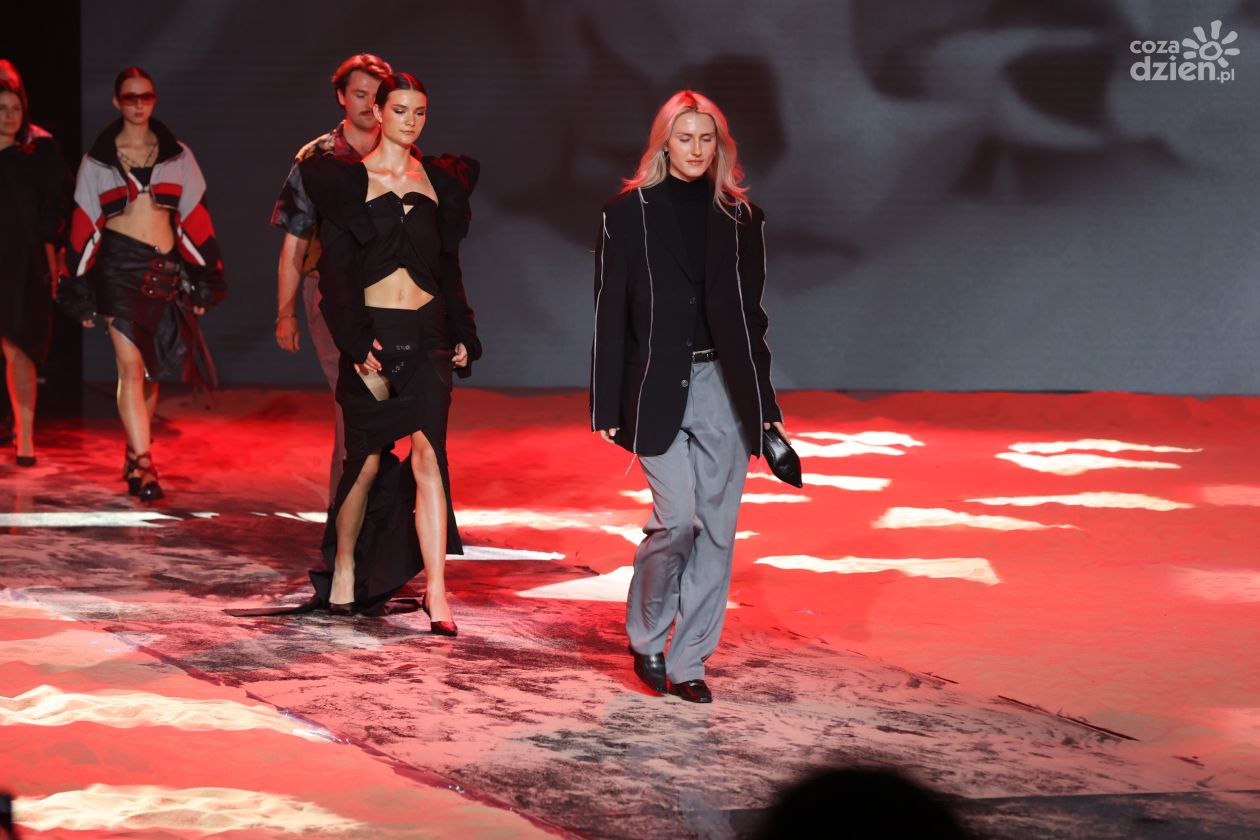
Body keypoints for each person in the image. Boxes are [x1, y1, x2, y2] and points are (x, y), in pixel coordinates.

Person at [232, 73, 480, 634]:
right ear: (380, 113)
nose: (411, 121)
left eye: (420, 111)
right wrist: (353, 338)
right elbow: (338, 275)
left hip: (428, 334)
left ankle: (437, 592)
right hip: (374, 340)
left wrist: (463, 330)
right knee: (365, 460)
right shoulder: (345, 182)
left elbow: (448, 267)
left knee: (430, 457)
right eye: (401, 110)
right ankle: (344, 566)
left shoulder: (440, 180)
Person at [591, 90, 786, 703]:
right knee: (677, 520)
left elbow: (752, 319)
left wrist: (766, 411)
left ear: (720, 146)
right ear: (664, 144)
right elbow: (610, 315)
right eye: (685, 138)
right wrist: (606, 405)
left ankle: (690, 661)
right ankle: (647, 633)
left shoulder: (742, 219)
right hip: (655, 385)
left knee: (718, 532)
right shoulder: (627, 214)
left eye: (707, 139)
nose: (696, 150)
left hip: (724, 387)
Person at [57, 67, 225, 500]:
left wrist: (204, 277)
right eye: (129, 97)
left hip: (164, 270)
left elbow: (196, 217)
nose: (138, 104)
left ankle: (134, 452)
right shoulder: (98, 160)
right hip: (118, 269)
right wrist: (77, 288)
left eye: (145, 96)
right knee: (130, 368)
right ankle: (147, 464)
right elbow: (82, 224)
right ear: (117, 102)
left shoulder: (178, 156)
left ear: (154, 99)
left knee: (150, 370)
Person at [271, 53, 397, 499]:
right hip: (331, 295)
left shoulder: (400, 150)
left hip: (393, 293)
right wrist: (286, 313)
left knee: (388, 401)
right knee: (355, 398)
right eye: (359, 94)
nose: (368, 104)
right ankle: (348, 516)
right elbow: (295, 241)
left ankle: (375, 512)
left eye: (376, 96)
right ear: (341, 96)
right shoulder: (316, 158)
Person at [0, 68, 70, 467]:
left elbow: (52, 213)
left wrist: (52, 260)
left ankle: (25, 438)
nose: (10, 115)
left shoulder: (36, 156)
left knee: (19, 346)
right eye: (2, 108)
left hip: (21, 264)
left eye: (15, 108)